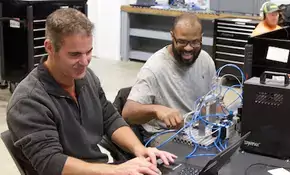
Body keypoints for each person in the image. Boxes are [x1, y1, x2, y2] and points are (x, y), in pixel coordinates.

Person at [6, 8, 176, 175]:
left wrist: (139, 149)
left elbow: (110, 118)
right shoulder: (28, 101)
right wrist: (116, 170)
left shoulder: (85, 78)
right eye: (74, 55)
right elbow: (52, 163)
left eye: (89, 52)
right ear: (49, 47)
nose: (85, 62)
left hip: (99, 168)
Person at [122, 13, 216, 135]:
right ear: (172, 36)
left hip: (197, 130)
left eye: (195, 42)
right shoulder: (154, 68)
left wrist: (218, 122)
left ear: (201, 38)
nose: (188, 48)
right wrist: (156, 110)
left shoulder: (205, 60)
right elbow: (128, 113)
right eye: (182, 42)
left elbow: (213, 101)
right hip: (165, 134)